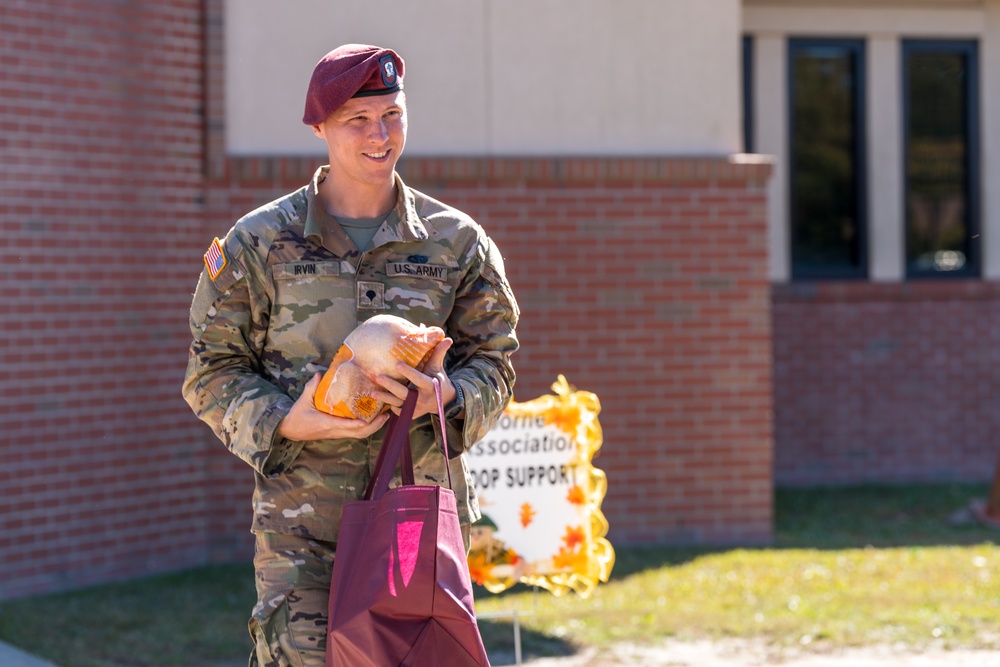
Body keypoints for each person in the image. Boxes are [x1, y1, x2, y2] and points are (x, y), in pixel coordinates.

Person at [181, 43, 519, 667]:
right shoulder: (259, 243)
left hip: (415, 528)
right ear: (319, 128)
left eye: (391, 114)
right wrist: (288, 420)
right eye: (356, 120)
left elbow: (495, 364)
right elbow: (211, 373)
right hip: (303, 535)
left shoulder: (457, 243)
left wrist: (443, 396)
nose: (379, 134)